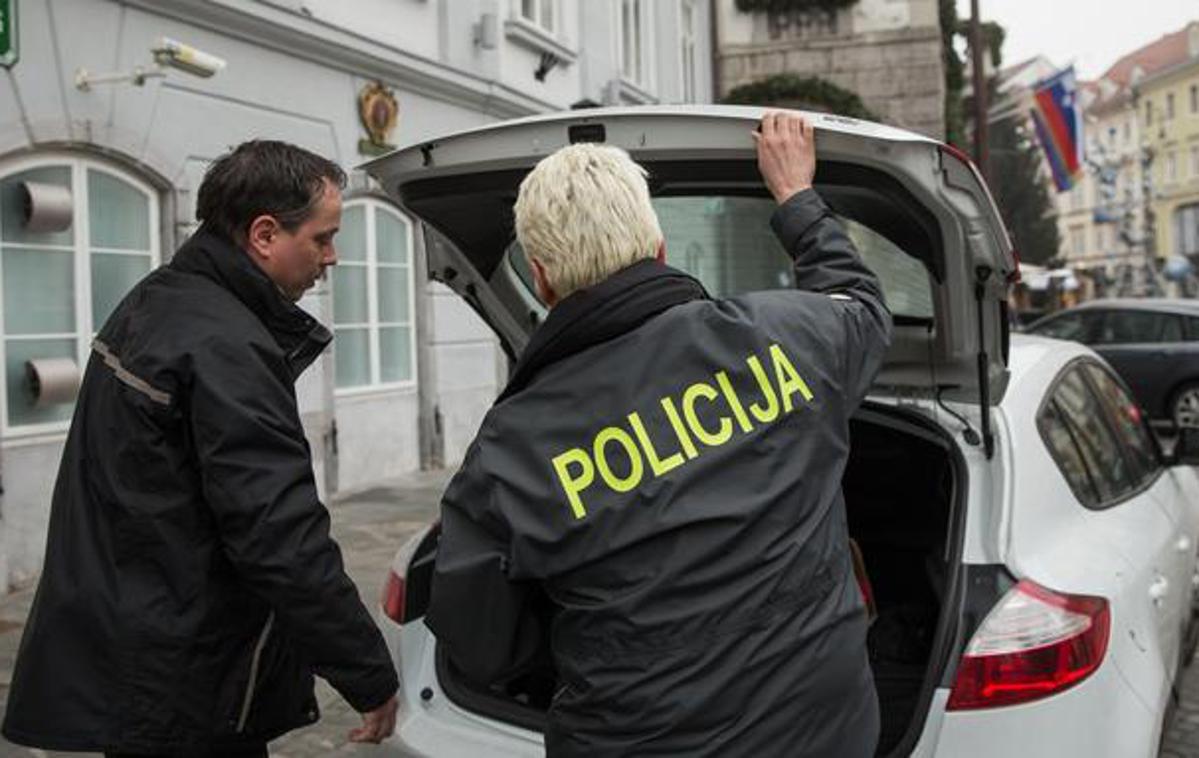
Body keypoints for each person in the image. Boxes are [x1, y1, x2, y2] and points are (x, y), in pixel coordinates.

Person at [426, 112, 891, 757]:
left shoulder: (510, 449)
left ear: (539, 277)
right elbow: (860, 301)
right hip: (824, 733)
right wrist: (796, 199)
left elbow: (479, 646)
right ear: (660, 246)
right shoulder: (788, 338)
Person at [2, 141, 398, 757]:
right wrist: (367, 673)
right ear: (265, 234)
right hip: (184, 677)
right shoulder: (226, 346)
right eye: (322, 238)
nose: (332, 258)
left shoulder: (158, 300)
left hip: (141, 656)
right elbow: (279, 536)